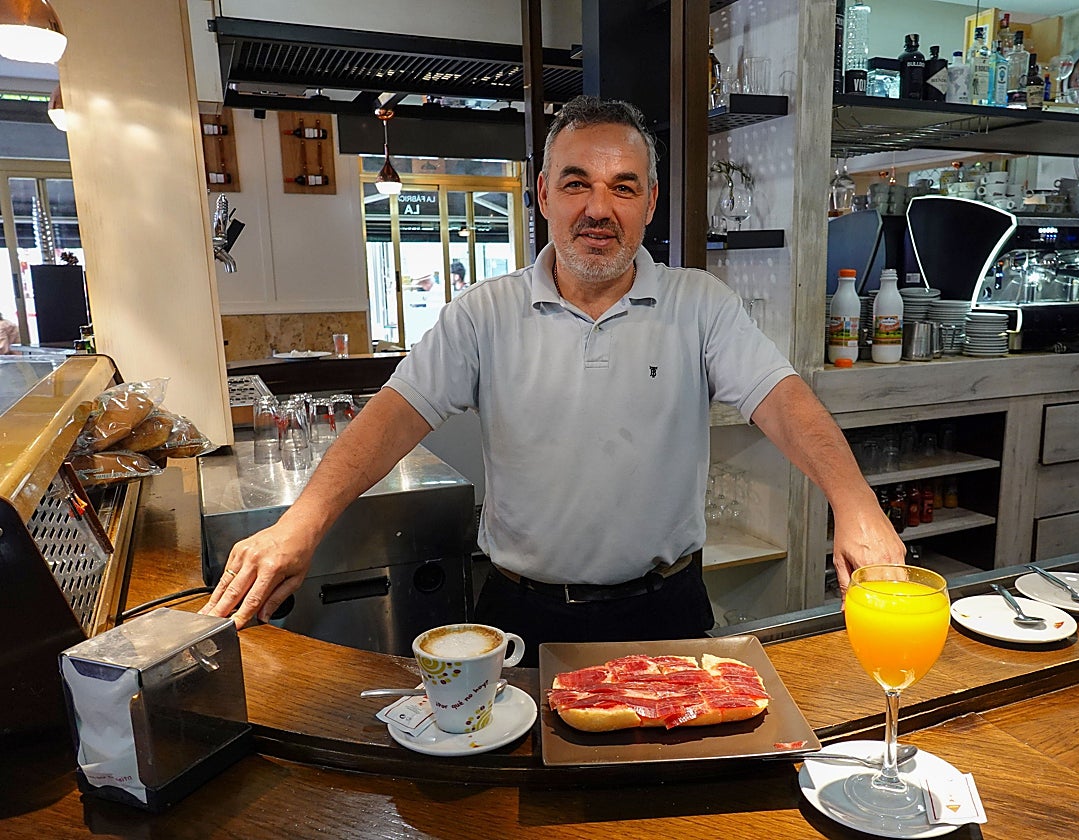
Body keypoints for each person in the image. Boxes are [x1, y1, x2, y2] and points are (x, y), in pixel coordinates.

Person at [200, 96, 904, 656]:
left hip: (667, 611)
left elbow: (784, 402)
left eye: (622, 187)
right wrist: (302, 522)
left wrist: (857, 503)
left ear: (649, 204)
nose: (598, 208)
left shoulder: (700, 305)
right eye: (577, 184)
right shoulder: (483, 313)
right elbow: (390, 418)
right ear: (542, 194)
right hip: (521, 617)